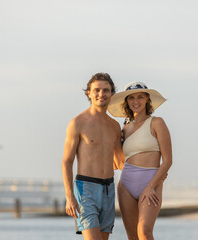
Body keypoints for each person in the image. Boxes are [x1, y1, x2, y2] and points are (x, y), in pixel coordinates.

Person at [61, 73, 124, 240]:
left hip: (109, 189)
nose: (101, 94)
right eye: (96, 90)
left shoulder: (115, 126)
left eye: (106, 90)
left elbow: (120, 163)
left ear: (112, 94)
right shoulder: (78, 123)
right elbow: (67, 162)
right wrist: (69, 197)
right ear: (88, 92)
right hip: (86, 188)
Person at [108, 82, 172, 240]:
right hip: (126, 185)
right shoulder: (125, 128)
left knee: (144, 231)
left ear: (147, 99)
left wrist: (151, 186)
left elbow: (168, 160)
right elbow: (119, 160)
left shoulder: (157, 122)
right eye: (131, 98)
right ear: (127, 101)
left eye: (140, 97)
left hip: (151, 183)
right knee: (132, 236)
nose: (136, 101)